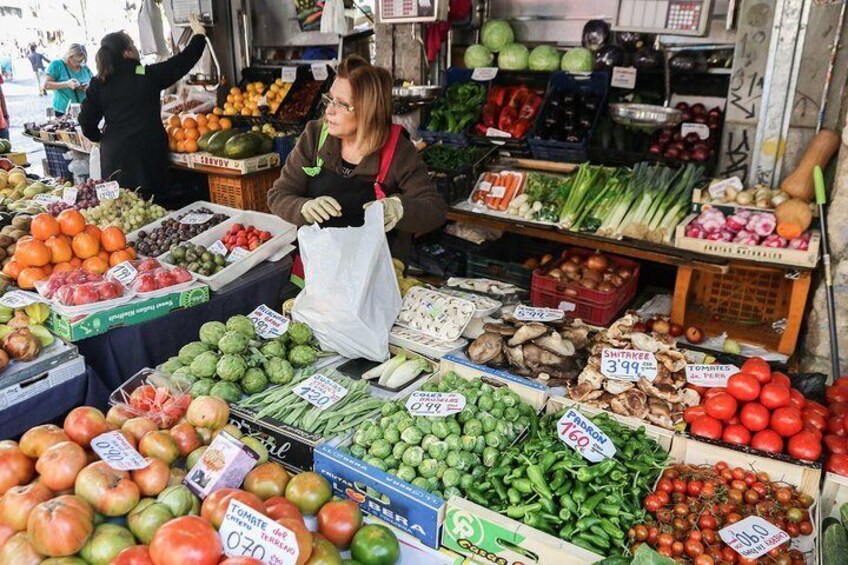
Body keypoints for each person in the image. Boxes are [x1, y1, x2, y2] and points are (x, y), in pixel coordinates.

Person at [267, 55, 447, 260]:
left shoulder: (397, 150)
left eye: (341, 104)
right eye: (329, 99)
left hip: (374, 273)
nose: (329, 110)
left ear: (368, 111)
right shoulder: (315, 135)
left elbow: (435, 209)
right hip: (317, 268)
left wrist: (399, 208)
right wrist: (303, 208)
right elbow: (278, 195)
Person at [79, 16, 207, 198]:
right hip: (148, 155)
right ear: (127, 52)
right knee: (152, 209)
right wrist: (199, 35)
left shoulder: (99, 82)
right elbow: (182, 62)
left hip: (115, 157)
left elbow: (86, 120)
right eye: (132, 44)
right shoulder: (146, 75)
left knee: (120, 211)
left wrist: (101, 137)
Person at [44, 43, 93, 116]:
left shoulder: (84, 67)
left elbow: (93, 83)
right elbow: (46, 85)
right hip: (63, 111)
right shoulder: (57, 65)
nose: (79, 63)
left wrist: (87, 87)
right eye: (76, 61)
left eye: (81, 60)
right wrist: (67, 84)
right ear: (69, 57)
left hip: (84, 110)